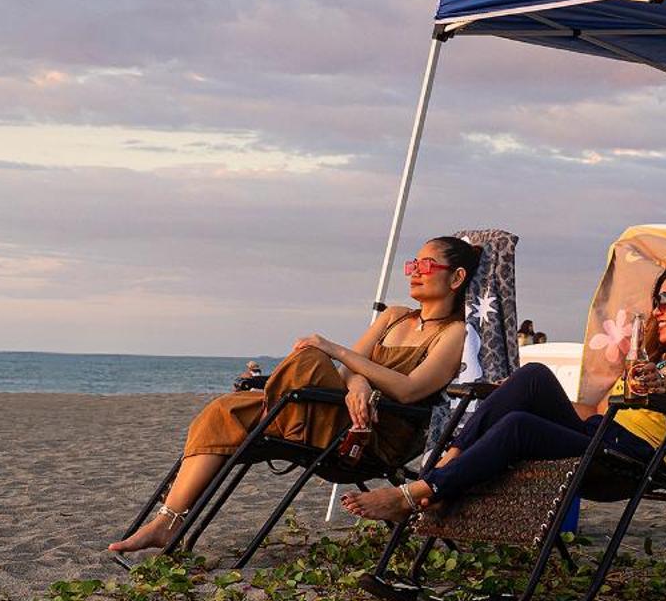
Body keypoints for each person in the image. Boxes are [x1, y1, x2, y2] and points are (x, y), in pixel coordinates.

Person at [107, 237, 480, 553]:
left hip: (370, 434)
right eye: (412, 264)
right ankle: (169, 521)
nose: (415, 271)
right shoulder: (394, 316)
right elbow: (346, 374)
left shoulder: (455, 333)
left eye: (427, 265)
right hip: (336, 411)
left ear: (457, 277)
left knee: (311, 356)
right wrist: (358, 384)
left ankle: (275, 413)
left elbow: (409, 388)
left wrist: (332, 348)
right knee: (223, 410)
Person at [342, 259, 666, 522]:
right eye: (656, 301)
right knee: (530, 378)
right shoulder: (653, 358)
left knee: (518, 427)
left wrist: (661, 383)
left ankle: (418, 491)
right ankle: (447, 467)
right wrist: (511, 394)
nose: (657, 311)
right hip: (598, 435)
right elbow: (593, 411)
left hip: (633, 458)